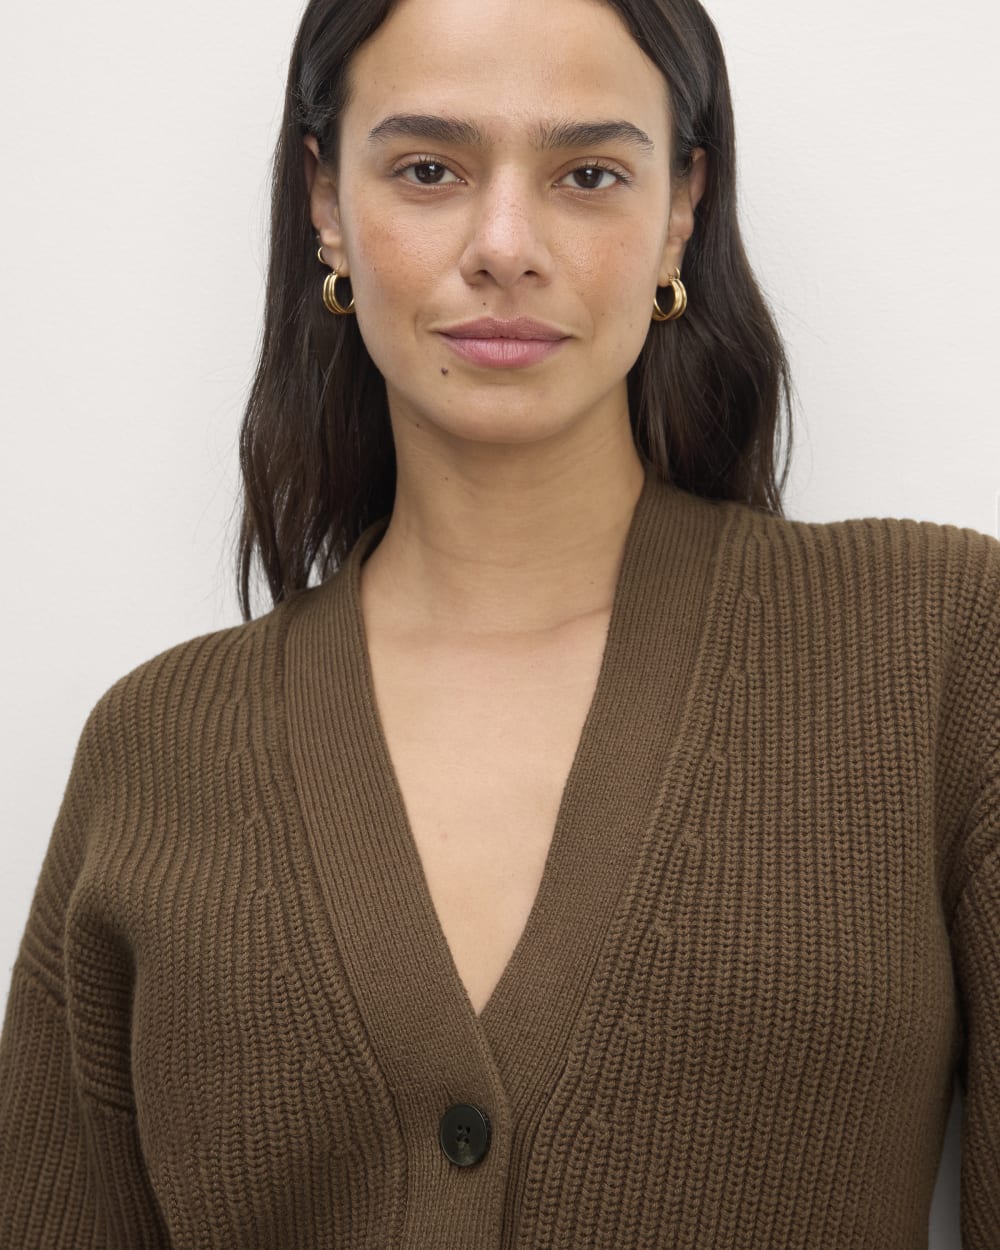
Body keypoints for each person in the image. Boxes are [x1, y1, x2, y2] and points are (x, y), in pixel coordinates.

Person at [1, 0, 997, 1245]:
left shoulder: (934, 650)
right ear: (325, 202)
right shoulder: (158, 746)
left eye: (588, 174)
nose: (505, 245)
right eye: (429, 170)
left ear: (681, 206)